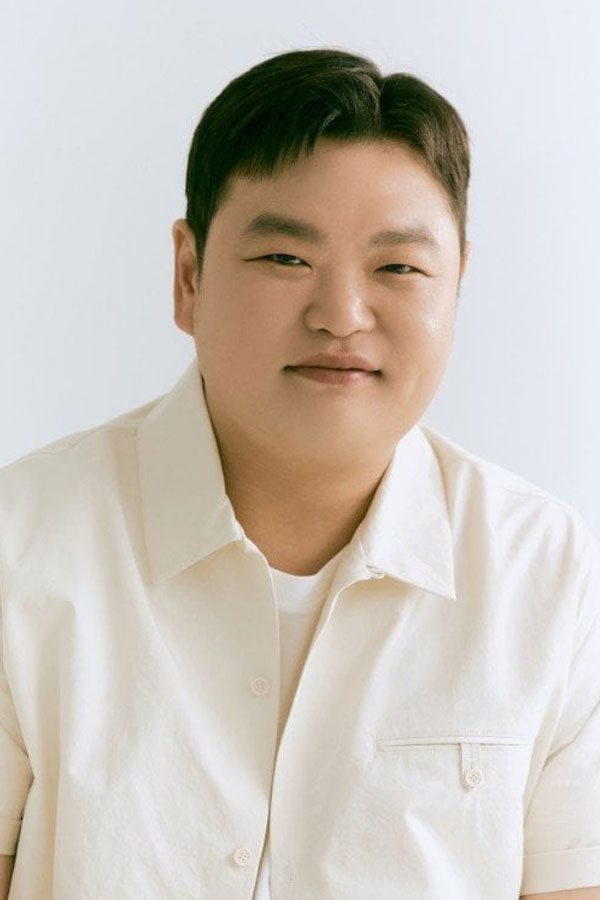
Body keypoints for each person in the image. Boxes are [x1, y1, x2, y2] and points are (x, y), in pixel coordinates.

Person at [0, 46, 599, 900]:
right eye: (286, 259)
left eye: (398, 267)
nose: (341, 316)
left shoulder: (550, 576)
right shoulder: (21, 544)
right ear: (188, 275)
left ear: (457, 282)